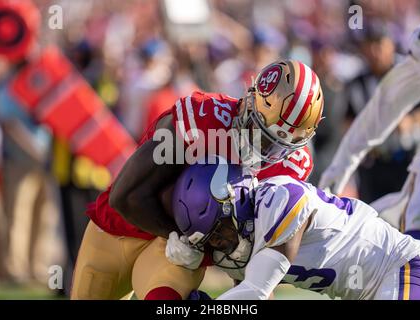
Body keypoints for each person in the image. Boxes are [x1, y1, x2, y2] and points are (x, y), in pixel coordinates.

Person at [70, 60, 324, 299]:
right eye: (260, 133)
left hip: (180, 255)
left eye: (276, 145)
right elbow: (126, 196)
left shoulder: (290, 168)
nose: (263, 149)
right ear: (249, 103)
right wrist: (175, 236)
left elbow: (261, 264)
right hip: (123, 228)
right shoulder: (203, 118)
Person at [171, 158, 420, 300]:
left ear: (234, 199)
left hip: (402, 267)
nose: (220, 244)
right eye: (211, 240)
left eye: (220, 231)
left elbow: (256, 292)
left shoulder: (281, 198)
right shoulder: (242, 241)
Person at [319, 21, 420, 246]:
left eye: (379, 43)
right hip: (377, 164)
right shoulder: (357, 82)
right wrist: (335, 176)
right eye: (369, 45)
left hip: (405, 157)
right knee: (413, 224)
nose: (374, 51)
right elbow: (370, 119)